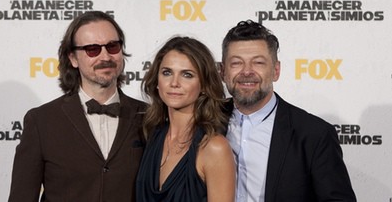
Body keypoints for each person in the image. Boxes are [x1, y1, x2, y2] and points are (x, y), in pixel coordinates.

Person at [8, 11, 147, 202]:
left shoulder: (148, 116)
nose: (105, 56)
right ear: (73, 58)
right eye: (92, 49)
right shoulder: (41, 121)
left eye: (112, 46)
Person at [221, 20, 357, 202]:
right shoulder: (203, 121)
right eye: (236, 63)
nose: (247, 72)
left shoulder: (314, 134)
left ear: (276, 71)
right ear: (223, 71)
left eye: (258, 63)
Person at [136, 36, 235, 202]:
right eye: (167, 73)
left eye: (187, 75)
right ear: (157, 81)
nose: (174, 83)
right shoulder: (152, 134)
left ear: (204, 85)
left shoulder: (214, 147)